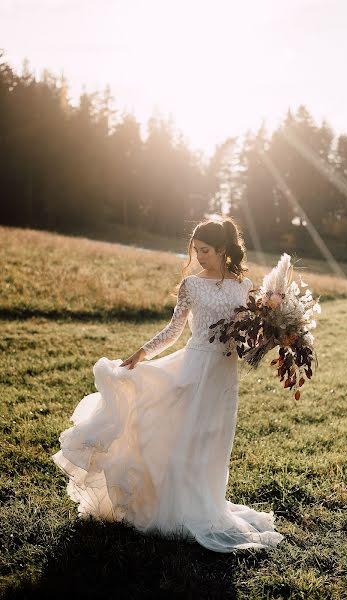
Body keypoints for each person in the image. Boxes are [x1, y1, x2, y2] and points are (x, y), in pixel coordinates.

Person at [52, 216, 284, 553]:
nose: (198, 256)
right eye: (195, 250)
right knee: (183, 439)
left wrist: (273, 337)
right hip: (192, 368)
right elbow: (174, 330)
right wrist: (142, 353)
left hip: (222, 374)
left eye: (204, 250)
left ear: (222, 250)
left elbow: (245, 341)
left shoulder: (243, 287)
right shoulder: (191, 285)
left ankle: (206, 503)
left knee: (213, 441)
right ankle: (173, 510)